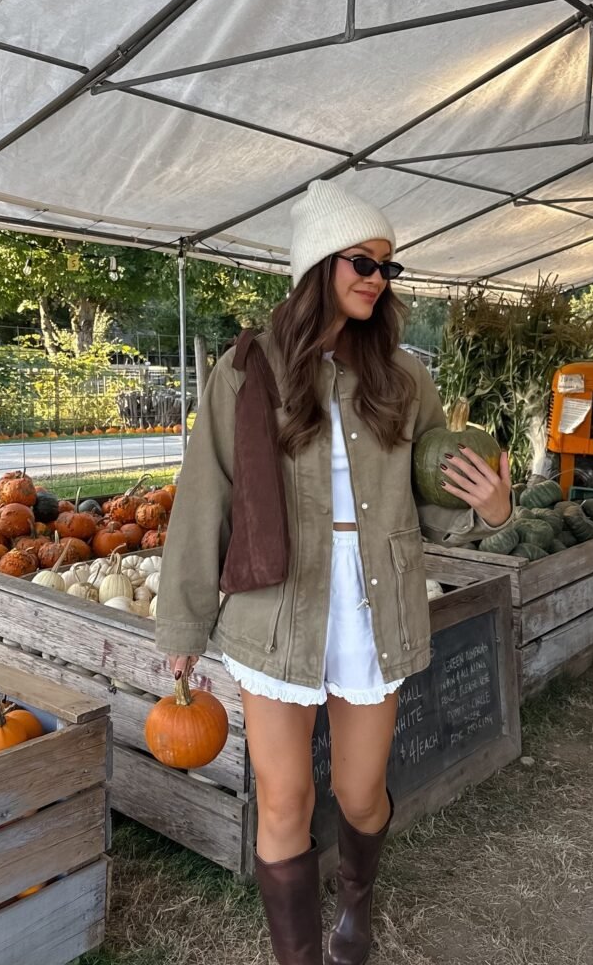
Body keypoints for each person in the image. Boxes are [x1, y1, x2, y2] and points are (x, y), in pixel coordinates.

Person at [156, 180, 512, 965]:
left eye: (387, 266)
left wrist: (487, 508)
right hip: (275, 603)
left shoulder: (404, 378)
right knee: (285, 797)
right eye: (362, 261)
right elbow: (203, 498)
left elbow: (434, 498)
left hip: (374, 601)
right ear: (319, 262)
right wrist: (182, 627)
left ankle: (356, 903)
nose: (377, 279)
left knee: (357, 791)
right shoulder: (247, 370)